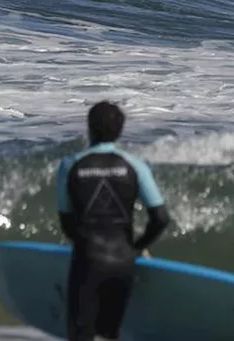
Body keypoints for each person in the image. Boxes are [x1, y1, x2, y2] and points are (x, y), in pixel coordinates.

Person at [56, 101, 170, 341]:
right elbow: (160, 218)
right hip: (122, 262)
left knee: (81, 334)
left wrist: (83, 243)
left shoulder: (70, 165)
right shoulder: (135, 166)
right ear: (120, 130)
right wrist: (136, 247)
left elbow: (66, 222)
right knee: (109, 335)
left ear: (89, 128)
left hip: (86, 261)